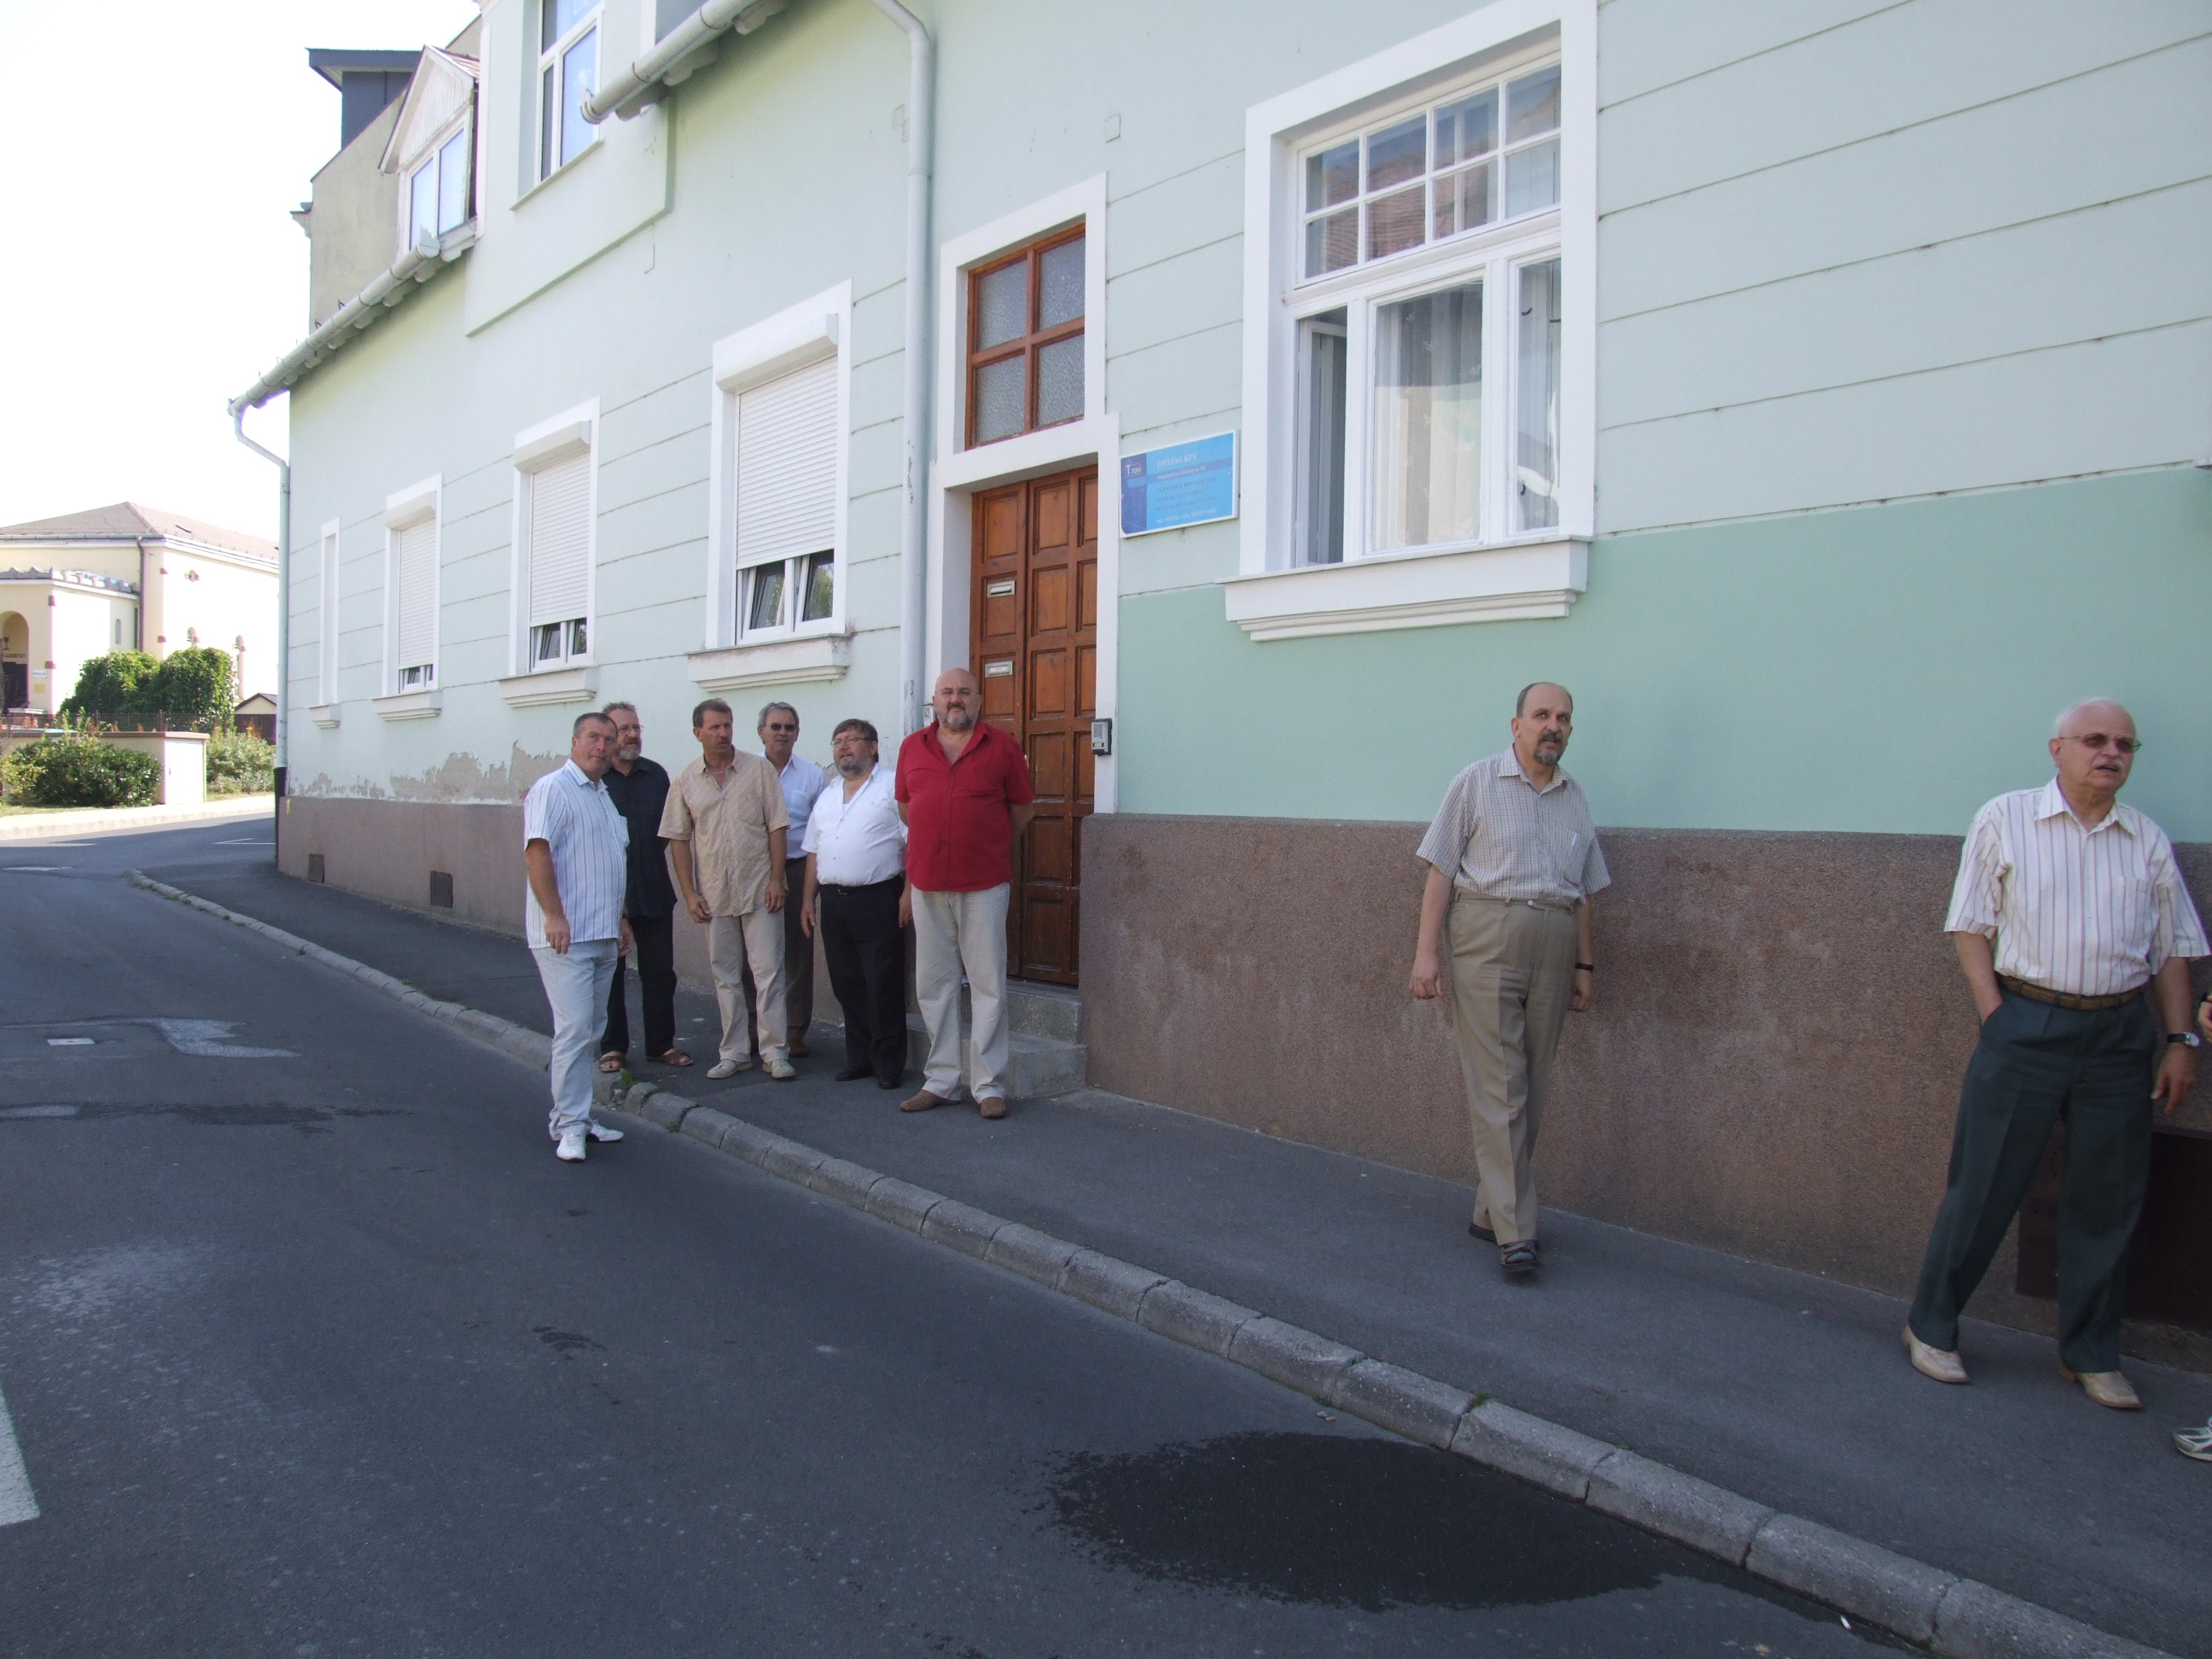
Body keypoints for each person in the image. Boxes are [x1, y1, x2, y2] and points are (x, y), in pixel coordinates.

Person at [1903, 700, 2205, 1411]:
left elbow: (2172, 951)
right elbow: (1969, 924)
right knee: (1985, 1184)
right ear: (2057, 748)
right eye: (2096, 740)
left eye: (2125, 744)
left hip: (2119, 1034)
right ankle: (1932, 1325)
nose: (2112, 754)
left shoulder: (2146, 839)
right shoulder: (2006, 818)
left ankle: (2091, 1353)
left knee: (2108, 1197)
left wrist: (2179, 1040)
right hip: (2027, 1023)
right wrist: (1995, 1016)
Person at [1409, 683, 1606, 1278]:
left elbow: (1584, 890)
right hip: (1487, 935)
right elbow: (1441, 870)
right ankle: (1518, 1233)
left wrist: (1585, 964)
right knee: (1501, 1084)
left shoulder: (1575, 797)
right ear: (1516, 725)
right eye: (1541, 715)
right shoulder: (1475, 782)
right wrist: (1426, 955)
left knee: (1533, 1084)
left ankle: (1489, 1210)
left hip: (1555, 939)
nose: (1553, 726)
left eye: (1563, 718)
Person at [894, 667, 1034, 1119]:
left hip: (983, 883)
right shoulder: (912, 747)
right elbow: (906, 807)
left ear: (979, 699)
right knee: (934, 984)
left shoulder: (1003, 746)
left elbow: (1022, 809)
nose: (955, 699)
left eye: (964, 692)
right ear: (934, 700)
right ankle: (941, 1081)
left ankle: (989, 1085)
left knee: (988, 984)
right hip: (928, 882)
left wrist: (986, 843)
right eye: (947, 692)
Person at [661, 698, 795, 1083]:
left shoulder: (759, 770)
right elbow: (678, 839)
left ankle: (775, 1052)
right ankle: (735, 1052)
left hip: (760, 889)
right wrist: (689, 893)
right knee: (726, 976)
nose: (723, 733)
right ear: (698, 733)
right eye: (715, 727)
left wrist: (777, 879)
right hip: (715, 893)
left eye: (727, 725)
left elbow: (777, 826)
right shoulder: (686, 780)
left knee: (769, 972)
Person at [523, 711, 635, 1163]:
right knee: (573, 1030)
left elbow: (610, 864)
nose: (601, 747)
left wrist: (621, 920)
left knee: (591, 1030)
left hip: (602, 934)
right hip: (565, 936)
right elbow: (537, 852)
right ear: (575, 742)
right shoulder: (553, 789)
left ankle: (578, 1118)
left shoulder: (603, 796)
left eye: (609, 739)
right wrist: (554, 915)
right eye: (593, 737)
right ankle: (569, 1126)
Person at [801, 718, 911, 1089]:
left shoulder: (891, 786)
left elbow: (913, 841)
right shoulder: (829, 793)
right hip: (834, 902)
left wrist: (909, 893)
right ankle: (859, 1059)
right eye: (838, 741)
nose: (843, 747)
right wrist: (808, 901)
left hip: (878, 899)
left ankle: (888, 1064)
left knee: (882, 983)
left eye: (852, 739)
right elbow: (814, 850)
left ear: (873, 747)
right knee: (846, 982)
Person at [597, 701, 689, 1074]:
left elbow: (667, 830)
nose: (633, 735)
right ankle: (612, 1047)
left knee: (660, 973)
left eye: (637, 728)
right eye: (624, 729)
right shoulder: (597, 779)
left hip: (652, 887)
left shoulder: (656, 775)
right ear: (608, 736)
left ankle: (661, 1044)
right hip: (608, 893)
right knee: (610, 973)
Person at [742, 701, 829, 1060]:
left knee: (797, 951)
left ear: (797, 733)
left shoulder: (813, 776)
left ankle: (793, 1030)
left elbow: (822, 828)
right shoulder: (744, 772)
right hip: (753, 870)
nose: (782, 733)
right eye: (775, 727)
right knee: (752, 954)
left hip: (796, 869)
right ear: (760, 731)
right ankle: (755, 1028)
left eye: (788, 727)